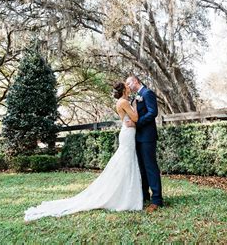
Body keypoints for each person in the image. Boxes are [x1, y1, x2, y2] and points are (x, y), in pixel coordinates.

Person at [24, 82, 142, 222]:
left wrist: (132, 118)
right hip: (128, 133)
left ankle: (125, 194)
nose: (129, 88)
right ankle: (123, 196)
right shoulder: (124, 102)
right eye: (127, 87)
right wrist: (135, 105)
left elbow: (129, 120)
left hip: (127, 131)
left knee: (126, 162)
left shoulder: (121, 101)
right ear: (123, 90)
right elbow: (134, 118)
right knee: (125, 162)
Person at [125, 75, 163, 212]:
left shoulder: (147, 93)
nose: (127, 86)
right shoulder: (136, 96)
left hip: (147, 136)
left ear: (136, 81)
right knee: (141, 168)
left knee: (150, 167)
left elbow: (153, 113)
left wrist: (136, 123)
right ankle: (145, 195)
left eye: (129, 83)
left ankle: (157, 199)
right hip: (138, 137)